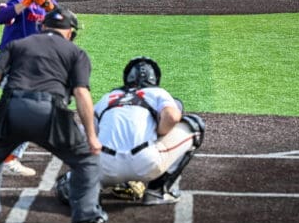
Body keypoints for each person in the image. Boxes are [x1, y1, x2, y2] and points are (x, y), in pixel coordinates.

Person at [0, 6, 107, 223]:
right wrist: (91, 136)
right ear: (70, 33)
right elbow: (82, 93)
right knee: (86, 161)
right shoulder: (76, 53)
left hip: (11, 110)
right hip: (49, 115)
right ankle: (85, 216)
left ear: (42, 27)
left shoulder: (18, 45)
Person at [55, 56, 205, 206]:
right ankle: (157, 191)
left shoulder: (108, 97)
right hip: (145, 163)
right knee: (195, 125)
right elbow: (172, 117)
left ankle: (88, 186)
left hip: (104, 166)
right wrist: (158, 135)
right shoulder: (157, 93)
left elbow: (88, 133)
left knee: (84, 136)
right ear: (155, 79)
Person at [0, 0, 65, 177]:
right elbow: (1, 17)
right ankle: (10, 157)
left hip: (31, 67)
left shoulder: (51, 7)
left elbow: (64, 26)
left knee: (28, 112)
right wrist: (24, 3)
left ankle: (4, 147)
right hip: (10, 64)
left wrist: (48, 6)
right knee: (30, 112)